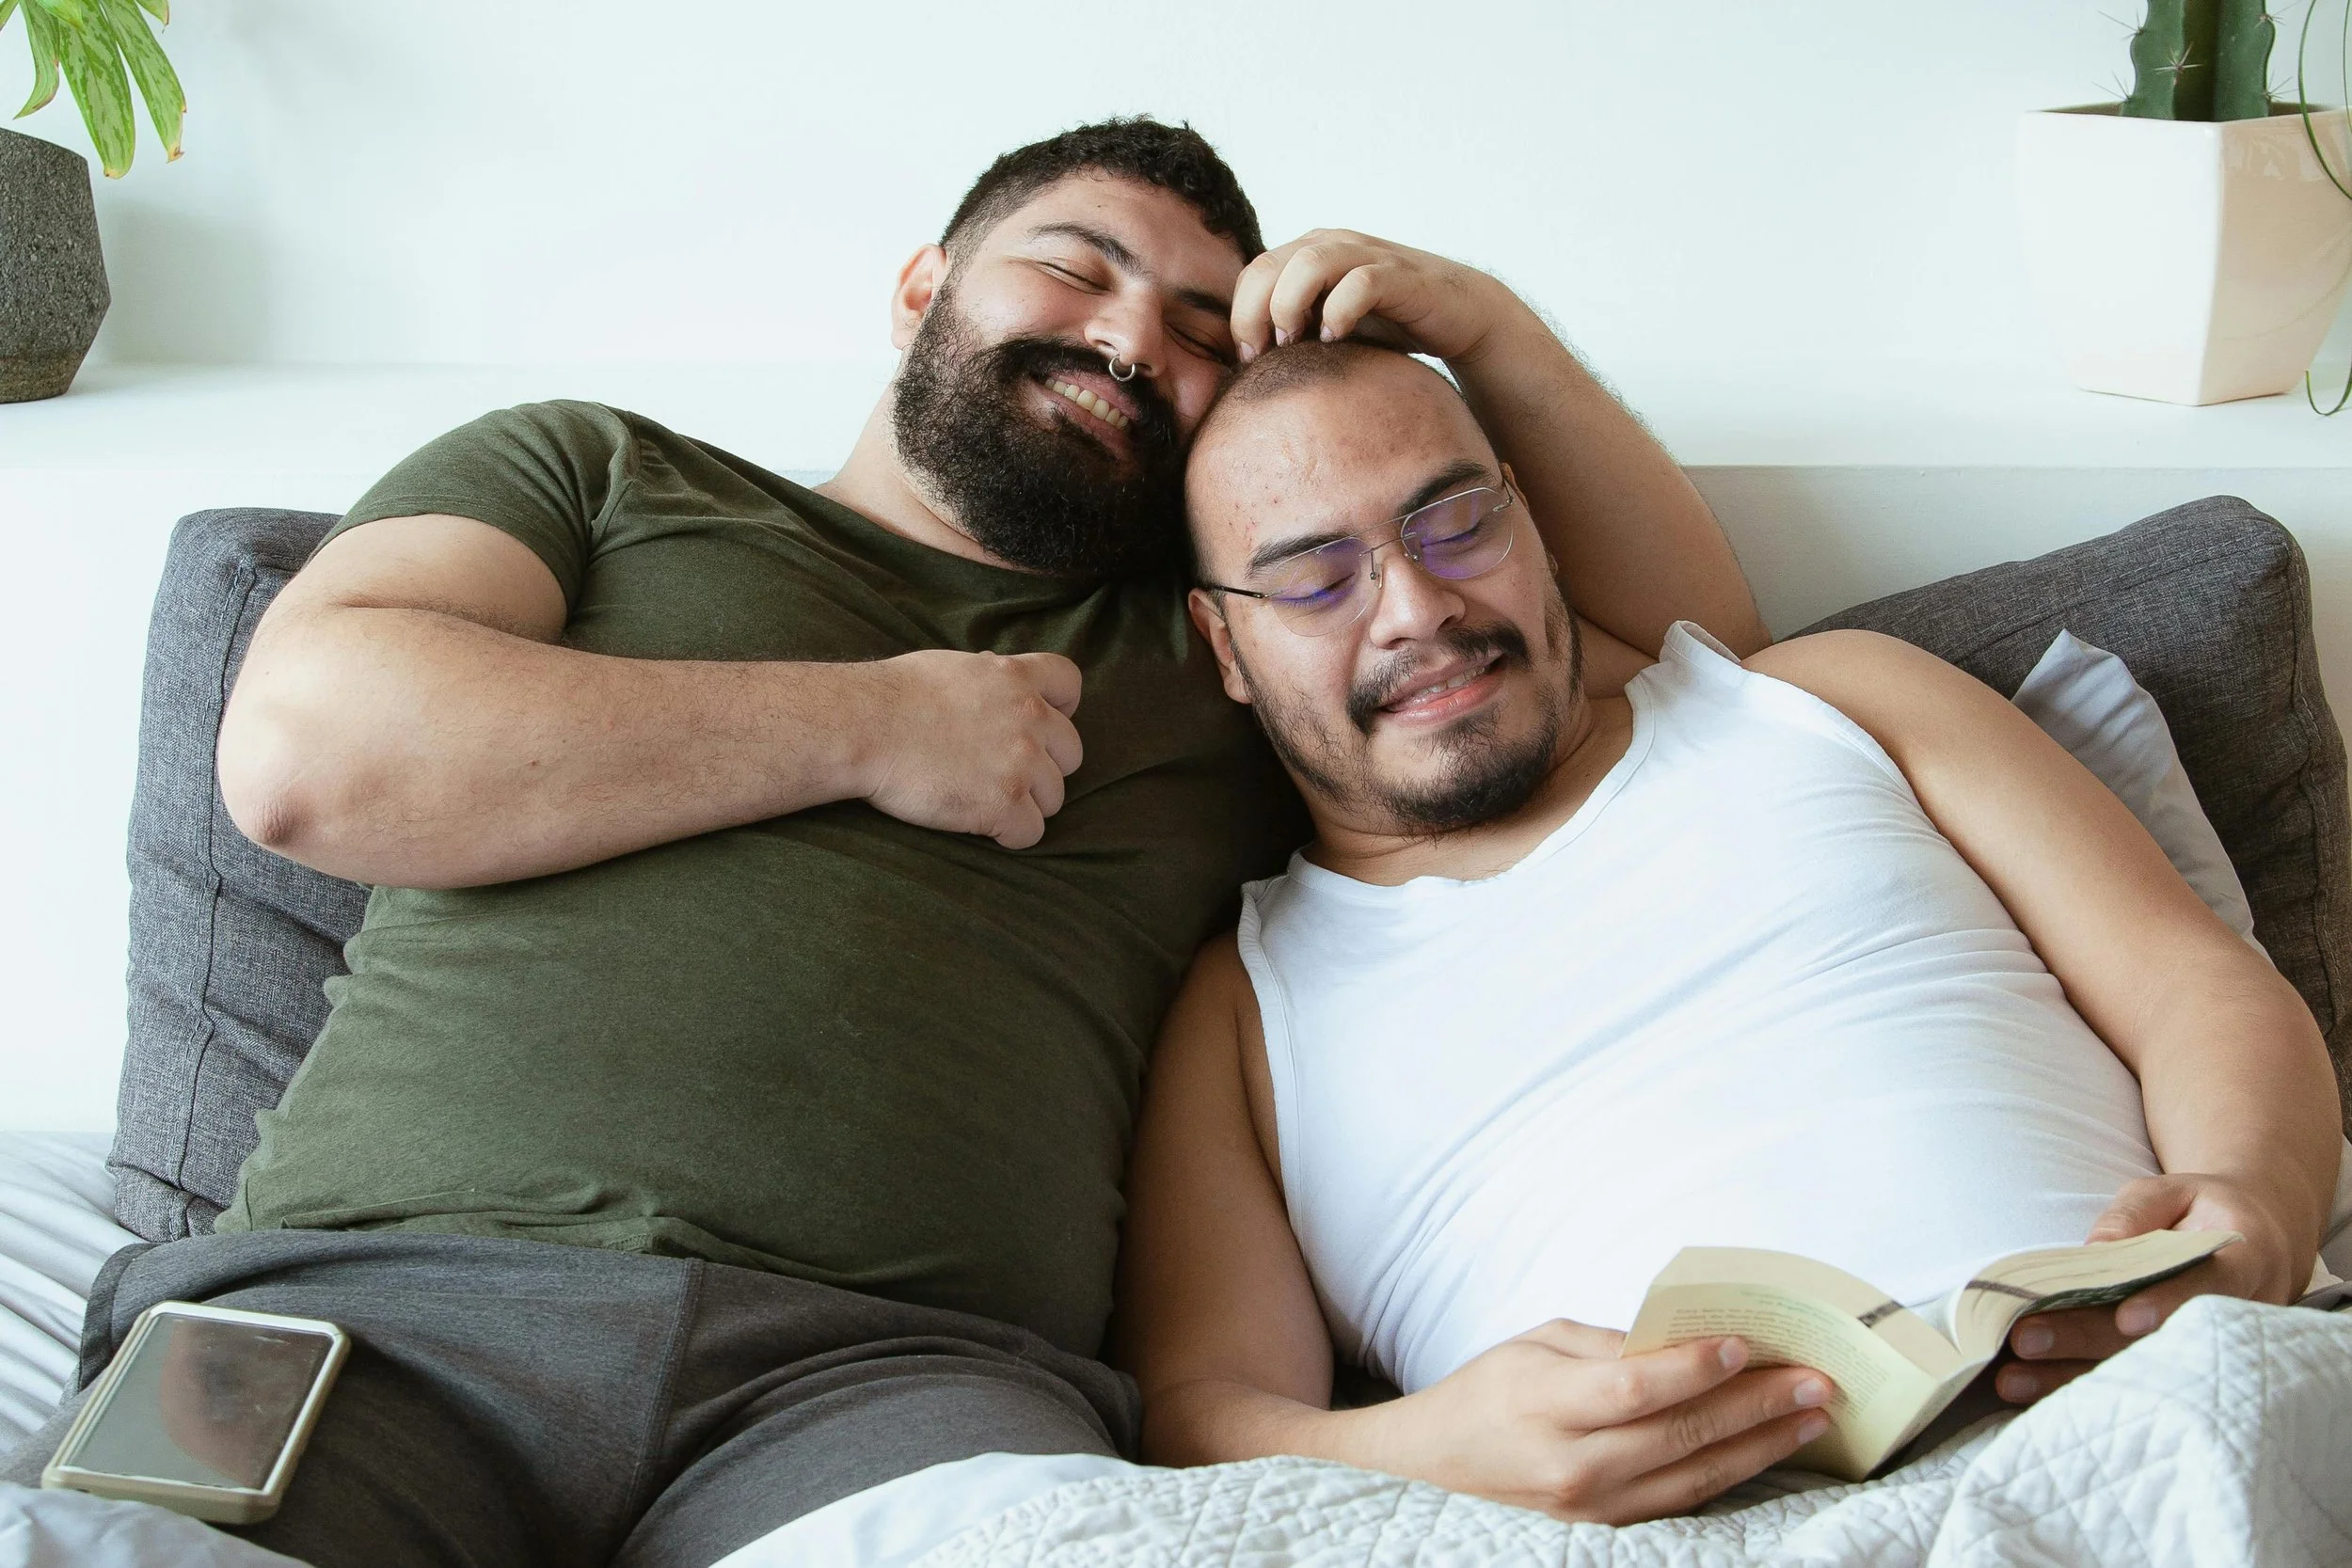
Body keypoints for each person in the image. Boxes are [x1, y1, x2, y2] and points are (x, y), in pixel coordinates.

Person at [0, 122, 1767, 1565]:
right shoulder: (601, 472)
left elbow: (1698, 674)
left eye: (1199, 328)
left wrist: (1491, 333)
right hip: (362, 1309)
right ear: (924, 286)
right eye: (1076, 266)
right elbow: (305, 755)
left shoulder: (1236, 642)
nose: (1130, 339)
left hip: (903, 1382)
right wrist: (876, 725)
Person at [1116, 339, 2345, 1526]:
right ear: (1228, 643)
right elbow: (1202, 1409)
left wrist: (2259, 1204)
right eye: (1314, 579)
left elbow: (2195, 984)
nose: (1417, 610)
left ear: (1530, 520)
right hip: (1682, 1530)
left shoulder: (1831, 699)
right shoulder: (1241, 1010)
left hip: (2159, 1386)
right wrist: (1430, 1450)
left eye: (1458, 523)